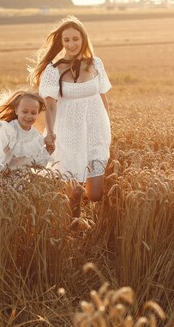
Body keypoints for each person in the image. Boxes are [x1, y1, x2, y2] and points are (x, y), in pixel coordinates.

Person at [28, 16, 111, 217]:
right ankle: (73, 231)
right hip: (69, 133)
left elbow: (103, 96)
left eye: (75, 38)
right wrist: (51, 133)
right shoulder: (53, 70)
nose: (71, 44)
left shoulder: (96, 63)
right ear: (61, 42)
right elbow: (50, 105)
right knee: (75, 193)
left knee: (95, 194)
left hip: (95, 130)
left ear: (83, 39)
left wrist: (108, 129)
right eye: (66, 40)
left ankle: (77, 209)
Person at [0, 89, 53, 171]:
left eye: (33, 113)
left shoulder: (37, 137)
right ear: (16, 110)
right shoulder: (6, 130)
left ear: (38, 113)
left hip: (22, 180)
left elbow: (36, 164)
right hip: (0, 176)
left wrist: (47, 151)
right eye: (25, 111)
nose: (29, 116)